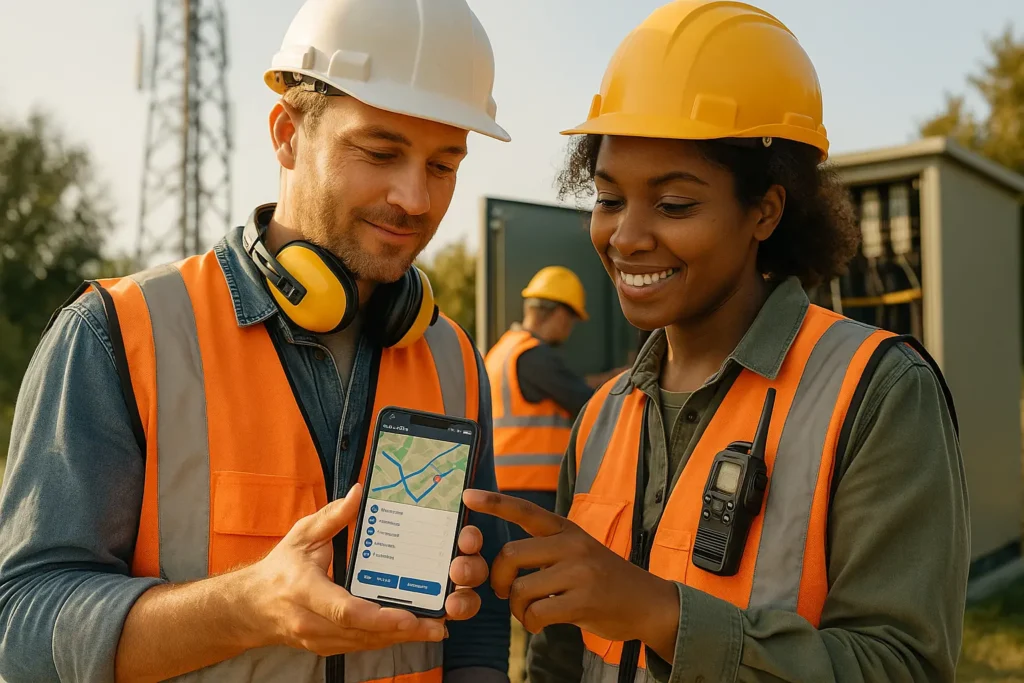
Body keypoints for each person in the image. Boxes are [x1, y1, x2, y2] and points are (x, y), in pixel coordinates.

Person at [0, 1, 513, 682]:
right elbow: (23, 623)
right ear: (287, 134)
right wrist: (248, 606)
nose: (415, 199)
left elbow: (474, 635)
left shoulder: (454, 358)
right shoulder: (117, 334)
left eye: (444, 164)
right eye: (380, 151)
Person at [463, 1, 969, 682]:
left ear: (765, 209)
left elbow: (903, 666)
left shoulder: (877, 393)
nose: (627, 236)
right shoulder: (603, 418)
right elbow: (562, 650)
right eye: (609, 198)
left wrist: (665, 616)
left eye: (674, 204)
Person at [485, 266, 594, 523]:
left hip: (505, 486)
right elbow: (585, 401)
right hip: (532, 490)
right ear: (558, 313)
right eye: (572, 318)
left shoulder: (504, 351)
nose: (570, 328)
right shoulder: (535, 355)